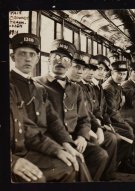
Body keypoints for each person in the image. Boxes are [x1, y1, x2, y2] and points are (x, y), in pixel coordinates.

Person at [9, 33, 90, 181]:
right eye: (22, 54)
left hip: (37, 142)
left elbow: (53, 119)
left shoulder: (38, 88)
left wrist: (66, 143)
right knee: (69, 166)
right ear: (13, 57)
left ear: (37, 59)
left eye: (32, 55)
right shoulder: (12, 85)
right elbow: (23, 126)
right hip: (25, 147)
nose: (28, 58)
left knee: (75, 160)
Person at [36, 39, 108, 181]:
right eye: (56, 58)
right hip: (52, 140)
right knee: (78, 161)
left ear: (69, 64)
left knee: (100, 155)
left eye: (65, 59)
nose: (60, 62)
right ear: (48, 60)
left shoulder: (76, 88)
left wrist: (82, 136)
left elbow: (84, 118)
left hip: (75, 138)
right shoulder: (37, 84)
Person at [66, 51, 118, 181]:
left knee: (109, 140)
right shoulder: (79, 87)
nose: (85, 72)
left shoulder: (81, 87)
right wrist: (87, 132)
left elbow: (89, 112)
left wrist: (99, 126)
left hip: (83, 128)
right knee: (103, 144)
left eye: (86, 69)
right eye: (78, 67)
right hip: (70, 134)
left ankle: (104, 175)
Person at [10, 83, 76, 182]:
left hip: (21, 152)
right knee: (38, 179)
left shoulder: (12, 88)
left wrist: (57, 150)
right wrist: (12, 161)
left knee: (68, 166)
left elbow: (26, 128)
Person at [102, 61, 135, 173]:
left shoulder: (117, 85)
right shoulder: (109, 87)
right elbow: (111, 111)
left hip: (116, 119)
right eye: (119, 73)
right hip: (108, 121)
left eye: (124, 74)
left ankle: (130, 159)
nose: (122, 76)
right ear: (112, 72)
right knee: (129, 131)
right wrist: (123, 123)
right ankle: (121, 162)